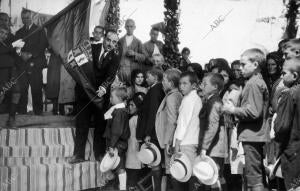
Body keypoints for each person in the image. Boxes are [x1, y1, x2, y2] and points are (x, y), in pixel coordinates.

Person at [69, 30, 121, 164]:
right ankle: (78, 155)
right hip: (85, 93)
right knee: (82, 124)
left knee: (100, 125)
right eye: (109, 40)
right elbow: (78, 65)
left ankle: (99, 154)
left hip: (100, 95)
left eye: (114, 42)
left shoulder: (115, 55)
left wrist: (104, 87)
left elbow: (111, 75)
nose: (110, 44)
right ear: (104, 38)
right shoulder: (92, 48)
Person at [223, 48, 269, 191]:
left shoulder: (253, 83)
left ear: (255, 65)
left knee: (254, 179)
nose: (240, 69)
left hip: (253, 136)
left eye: (243, 65)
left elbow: (254, 112)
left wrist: (233, 110)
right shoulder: (255, 81)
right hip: (254, 136)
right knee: (256, 176)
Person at [172, 71, 202, 191]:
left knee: (184, 174)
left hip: (185, 142)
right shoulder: (196, 98)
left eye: (185, 83)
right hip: (192, 140)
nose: (181, 86)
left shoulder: (188, 99)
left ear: (194, 85)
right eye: (180, 83)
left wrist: (177, 144)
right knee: (190, 173)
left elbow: (183, 123)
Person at [136, 68, 165, 191]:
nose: (146, 79)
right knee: (156, 162)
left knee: (155, 163)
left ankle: (157, 189)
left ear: (156, 77)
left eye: (148, 77)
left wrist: (148, 133)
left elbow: (153, 113)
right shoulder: (156, 89)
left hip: (153, 132)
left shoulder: (154, 90)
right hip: (155, 131)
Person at [198, 73, 227, 191]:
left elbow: (212, 127)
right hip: (214, 147)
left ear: (215, 87)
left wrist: (204, 147)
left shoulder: (214, 102)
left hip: (213, 147)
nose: (202, 87)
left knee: (213, 177)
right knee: (216, 176)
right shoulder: (211, 101)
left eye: (205, 84)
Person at [274, 58, 300, 191]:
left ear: (295, 75)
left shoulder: (289, 94)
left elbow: (282, 127)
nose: (281, 76)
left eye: (284, 73)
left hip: (292, 152)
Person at [15, 9, 48, 115]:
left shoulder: (40, 30)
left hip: (36, 65)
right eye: (23, 18)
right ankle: (22, 112)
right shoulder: (19, 32)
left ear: (32, 17)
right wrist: (21, 54)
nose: (25, 20)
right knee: (22, 90)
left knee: (36, 89)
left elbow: (43, 44)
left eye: (27, 17)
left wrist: (30, 54)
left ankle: (38, 113)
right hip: (23, 65)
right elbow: (16, 47)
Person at [155, 68, 183, 190]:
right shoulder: (177, 95)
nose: (162, 82)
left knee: (172, 170)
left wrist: (168, 142)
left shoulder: (172, 97)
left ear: (171, 83)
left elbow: (172, 121)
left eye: (164, 80)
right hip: (173, 139)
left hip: (170, 140)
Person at [103, 87, 130, 191]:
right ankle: (119, 186)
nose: (110, 98)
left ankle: (122, 187)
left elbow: (116, 131)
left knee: (120, 166)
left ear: (119, 98)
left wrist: (111, 146)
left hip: (117, 143)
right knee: (118, 165)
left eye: (112, 96)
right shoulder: (118, 109)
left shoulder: (119, 112)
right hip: (118, 143)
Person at [0, 24, 22, 128]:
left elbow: (11, 54)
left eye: (5, 34)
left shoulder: (5, 43)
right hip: (2, 72)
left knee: (17, 93)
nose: (3, 35)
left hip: (12, 71)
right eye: (1, 32)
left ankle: (11, 119)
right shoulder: (5, 45)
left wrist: (18, 51)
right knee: (2, 94)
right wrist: (13, 46)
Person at [126, 92, 145, 191]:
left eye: (132, 105)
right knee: (132, 168)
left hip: (134, 147)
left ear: (138, 106)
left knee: (133, 169)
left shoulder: (135, 119)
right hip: (132, 147)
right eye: (129, 104)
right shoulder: (135, 118)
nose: (130, 107)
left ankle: (132, 187)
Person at [118, 19, 145, 85]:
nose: (129, 28)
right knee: (121, 92)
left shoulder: (138, 42)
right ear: (125, 27)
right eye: (127, 26)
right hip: (121, 72)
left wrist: (134, 54)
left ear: (134, 27)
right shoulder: (120, 41)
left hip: (132, 71)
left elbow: (143, 57)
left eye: (131, 26)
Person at [42, 48, 63, 115]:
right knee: (55, 90)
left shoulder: (55, 56)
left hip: (56, 69)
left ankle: (57, 110)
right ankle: (56, 110)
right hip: (54, 69)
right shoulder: (52, 56)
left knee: (57, 89)